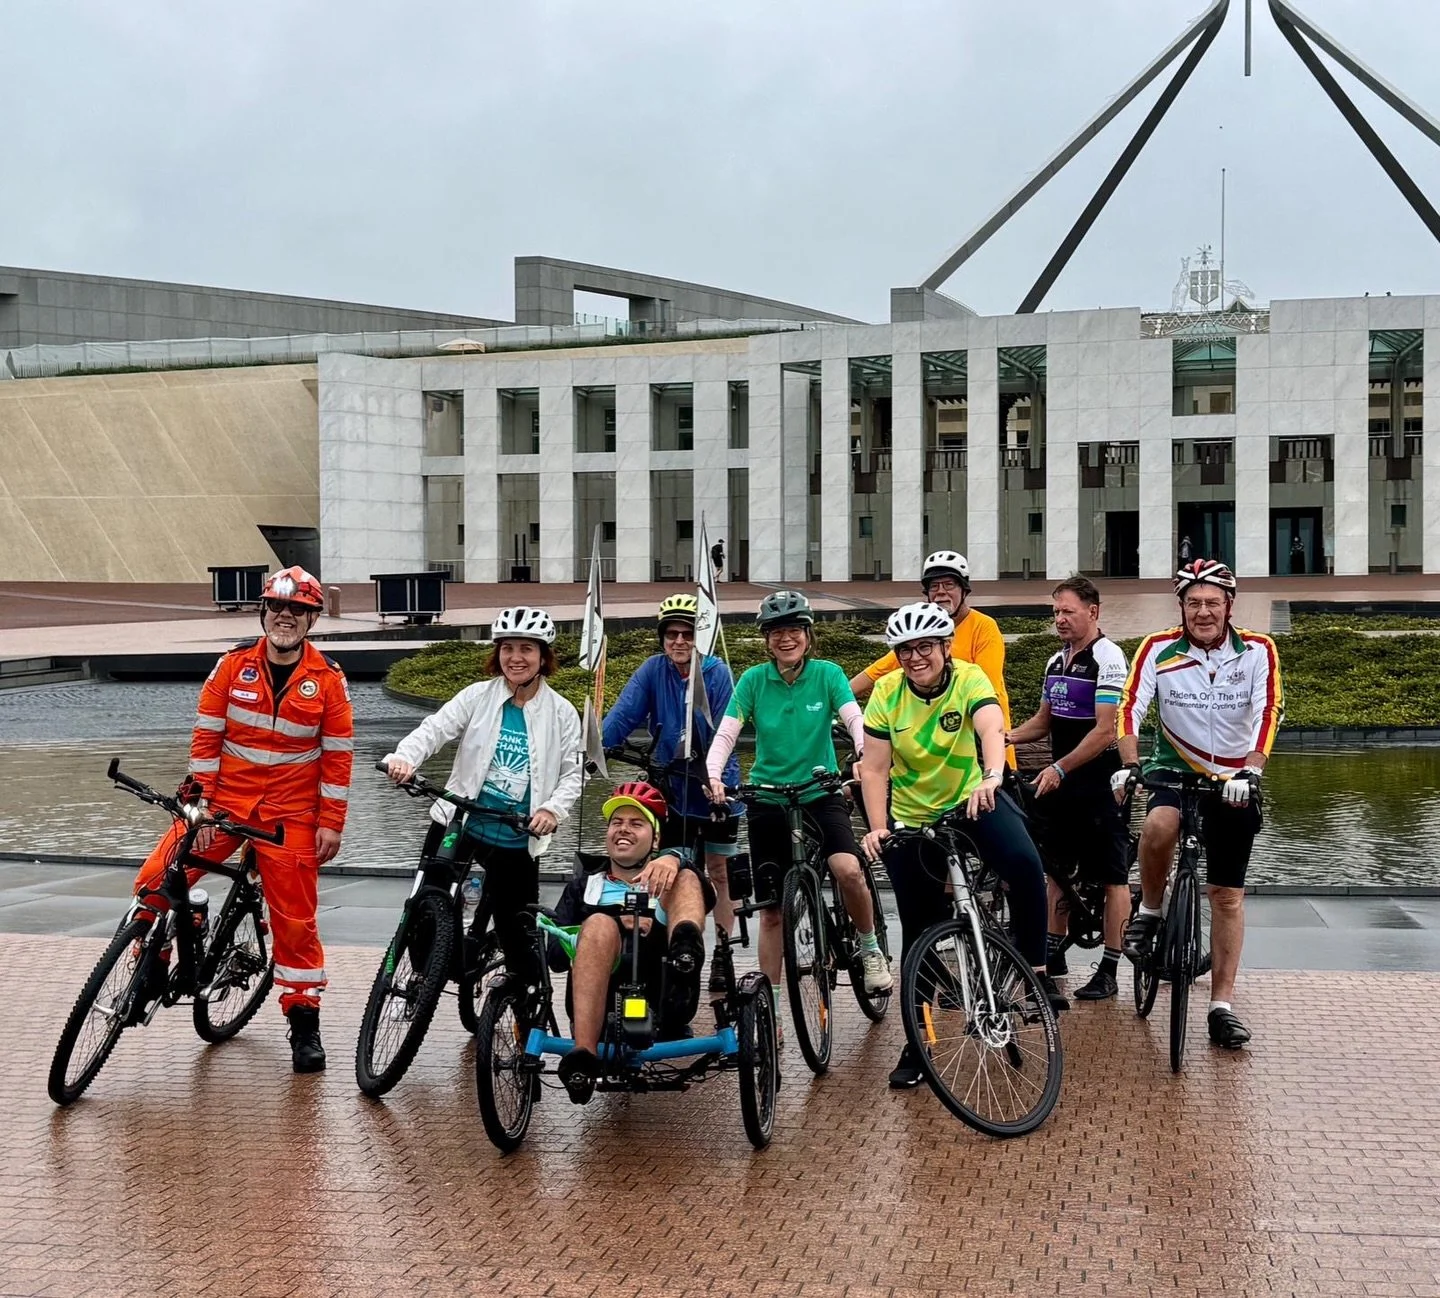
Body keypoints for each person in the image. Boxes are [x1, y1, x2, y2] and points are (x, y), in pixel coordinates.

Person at [130, 566, 353, 1073]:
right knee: (152, 881)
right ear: (263, 612)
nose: (285, 616)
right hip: (224, 804)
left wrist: (331, 822)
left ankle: (303, 1024)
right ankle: (156, 962)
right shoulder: (231, 667)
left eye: (297, 609)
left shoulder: (330, 682)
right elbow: (205, 741)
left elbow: (338, 758)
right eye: (276, 607)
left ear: (312, 618)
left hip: (291, 816)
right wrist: (201, 806)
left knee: (295, 924)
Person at [858, 603, 1065, 1089]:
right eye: (905, 650)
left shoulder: (969, 678)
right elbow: (873, 769)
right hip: (912, 816)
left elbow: (991, 727)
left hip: (973, 798)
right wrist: (876, 826)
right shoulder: (887, 693)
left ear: (946, 648)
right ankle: (919, 1041)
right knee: (919, 930)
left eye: (925, 647)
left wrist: (991, 777)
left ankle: (1033, 973)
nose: (915, 657)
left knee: (1024, 866)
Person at [1114, 559, 1284, 1049]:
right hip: (1174, 770)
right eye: (1194, 603)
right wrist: (1129, 763)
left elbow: (1267, 708)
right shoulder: (1158, 648)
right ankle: (1148, 908)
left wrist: (1252, 769)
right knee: (1158, 826)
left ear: (1230, 604)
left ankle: (1222, 1005)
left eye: (1212, 602)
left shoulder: (1258, 650)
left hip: (1234, 778)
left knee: (1227, 895)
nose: (1203, 612)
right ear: (1182, 607)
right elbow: (1130, 706)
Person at [383, 606, 582, 1015]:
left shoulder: (562, 712)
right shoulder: (478, 696)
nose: (516, 657)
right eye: (508, 648)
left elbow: (574, 774)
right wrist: (405, 758)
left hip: (515, 831)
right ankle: (428, 970)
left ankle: (524, 1013)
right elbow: (434, 729)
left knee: (517, 931)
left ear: (544, 657)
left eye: (527, 649)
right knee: (428, 901)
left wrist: (551, 810)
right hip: (462, 820)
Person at [704, 589, 893, 1007]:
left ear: (807, 634)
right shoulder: (754, 680)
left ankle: (870, 948)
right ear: (766, 639)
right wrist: (715, 775)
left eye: (793, 630)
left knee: (847, 869)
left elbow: (854, 719)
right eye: (775, 632)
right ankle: (768, 1010)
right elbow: (727, 733)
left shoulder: (828, 674)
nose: (785, 639)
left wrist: (864, 757)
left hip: (819, 792)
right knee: (772, 910)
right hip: (768, 798)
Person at [601, 593, 742, 989]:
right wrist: (597, 748)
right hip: (671, 785)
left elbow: (723, 732)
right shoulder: (652, 670)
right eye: (671, 635)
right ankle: (672, 945)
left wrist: (718, 779)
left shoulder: (717, 673)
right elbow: (624, 714)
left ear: (701, 637)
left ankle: (723, 952)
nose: (679, 642)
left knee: (718, 871)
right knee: (667, 868)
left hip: (714, 783)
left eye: (687, 634)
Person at [1005, 576, 1130, 1000]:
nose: (1059, 619)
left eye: (1067, 611)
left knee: (1113, 876)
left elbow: (1103, 731)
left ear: (1092, 612)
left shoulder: (1108, 658)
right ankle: (1053, 956)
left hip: (1097, 780)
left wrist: (1059, 766)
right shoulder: (1055, 661)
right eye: (1055, 611)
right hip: (1062, 781)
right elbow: (1043, 722)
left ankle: (1110, 967)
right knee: (1054, 870)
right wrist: (1004, 737)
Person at [549, 781, 714, 1104]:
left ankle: (685, 954)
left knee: (687, 876)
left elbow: (707, 895)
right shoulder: (585, 886)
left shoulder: (671, 878)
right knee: (597, 924)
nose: (623, 830)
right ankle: (583, 1057)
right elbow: (554, 957)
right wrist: (600, 927)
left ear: (655, 839)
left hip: (665, 989)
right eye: (616, 823)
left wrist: (674, 859)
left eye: (636, 823)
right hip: (598, 997)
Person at [848, 550, 1014, 767]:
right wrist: (838, 700)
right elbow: (877, 671)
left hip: (981, 740)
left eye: (949, 585)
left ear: (964, 590)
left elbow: (986, 688)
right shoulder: (921, 635)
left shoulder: (984, 627)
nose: (941, 592)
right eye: (934, 587)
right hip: (938, 744)